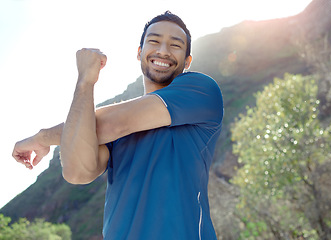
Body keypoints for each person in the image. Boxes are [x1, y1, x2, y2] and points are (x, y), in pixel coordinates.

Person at [12, 11, 223, 240]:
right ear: (139, 52)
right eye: (154, 41)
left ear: (187, 61)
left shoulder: (201, 89)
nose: (163, 50)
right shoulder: (113, 125)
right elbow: (77, 172)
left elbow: (110, 124)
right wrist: (85, 81)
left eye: (175, 45)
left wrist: (42, 137)